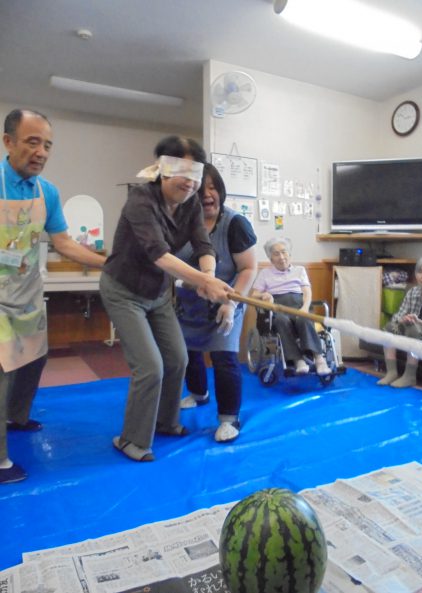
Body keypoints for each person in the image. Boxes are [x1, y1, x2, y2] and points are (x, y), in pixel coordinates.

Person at [100, 136, 233, 462]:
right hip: (123, 291)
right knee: (150, 367)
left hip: (157, 294)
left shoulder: (191, 204)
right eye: (182, 173)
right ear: (161, 170)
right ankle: (131, 440)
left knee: (178, 359)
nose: (190, 183)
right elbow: (159, 254)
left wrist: (209, 275)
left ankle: (165, 421)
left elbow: (203, 245)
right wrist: (202, 280)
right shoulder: (140, 201)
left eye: (195, 176)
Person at [0, 109, 106, 485]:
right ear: (8, 142)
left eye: (47, 145)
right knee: (2, 370)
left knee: (34, 359)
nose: (41, 152)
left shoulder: (49, 192)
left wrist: (105, 264)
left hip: (27, 292)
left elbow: (62, 243)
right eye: (32, 142)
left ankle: (17, 416)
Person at [175, 163, 257, 442]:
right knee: (188, 353)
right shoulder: (182, 223)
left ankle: (229, 418)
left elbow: (248, 268)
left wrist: (231, 303)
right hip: (190, 303)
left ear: (221, 191)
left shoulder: (235, 224)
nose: (207, 194)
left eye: (213, 187)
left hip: (227, 301)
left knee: (224, 356)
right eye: (200, 188)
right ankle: (199, 394)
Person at [251, 237, 331, 376]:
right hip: (278, 307)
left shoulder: (299, 270)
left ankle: (319, 358)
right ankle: (298, 360)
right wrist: (264, 295)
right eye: (276, 254)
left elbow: (307, 292)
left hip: (299, 304)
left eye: (284, 252)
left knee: (303, 318)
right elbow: (253, 295)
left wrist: (305, 307)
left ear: (289, 254)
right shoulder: (265, 273)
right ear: (271, 258)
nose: (281, 257)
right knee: (281, 321)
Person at [377, 256, 422, 388]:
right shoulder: (413, 292)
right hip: (411, 328)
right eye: (420, 272)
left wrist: (419, 322)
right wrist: (402, 319)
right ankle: (392, 372)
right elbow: (398, 315)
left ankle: (409, 375)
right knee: (390, 328)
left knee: (413, 329)